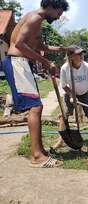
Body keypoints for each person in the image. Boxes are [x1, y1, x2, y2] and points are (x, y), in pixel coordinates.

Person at [2, 0, 73, 168]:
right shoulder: (34, 18)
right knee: (35, 107)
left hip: (22, 64)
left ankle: (40, 151)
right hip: (17, 63)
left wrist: (63, 49)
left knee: (36, 106)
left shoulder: (37, 21)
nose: (58, 17)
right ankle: (36, 156)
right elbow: (19, 44)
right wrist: (45, 62)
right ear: (51, 6)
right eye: (59, 13)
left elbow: (40, 46)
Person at [52, 46, 88, 149]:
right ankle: (61, 141)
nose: (81, 56)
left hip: (85, 93)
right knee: (64, 115)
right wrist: (71, 95)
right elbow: (63, 85)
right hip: (70, 92)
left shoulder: (87, 66)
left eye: (82, 53)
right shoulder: (65, 68)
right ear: (71, 57)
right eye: (78, 54)